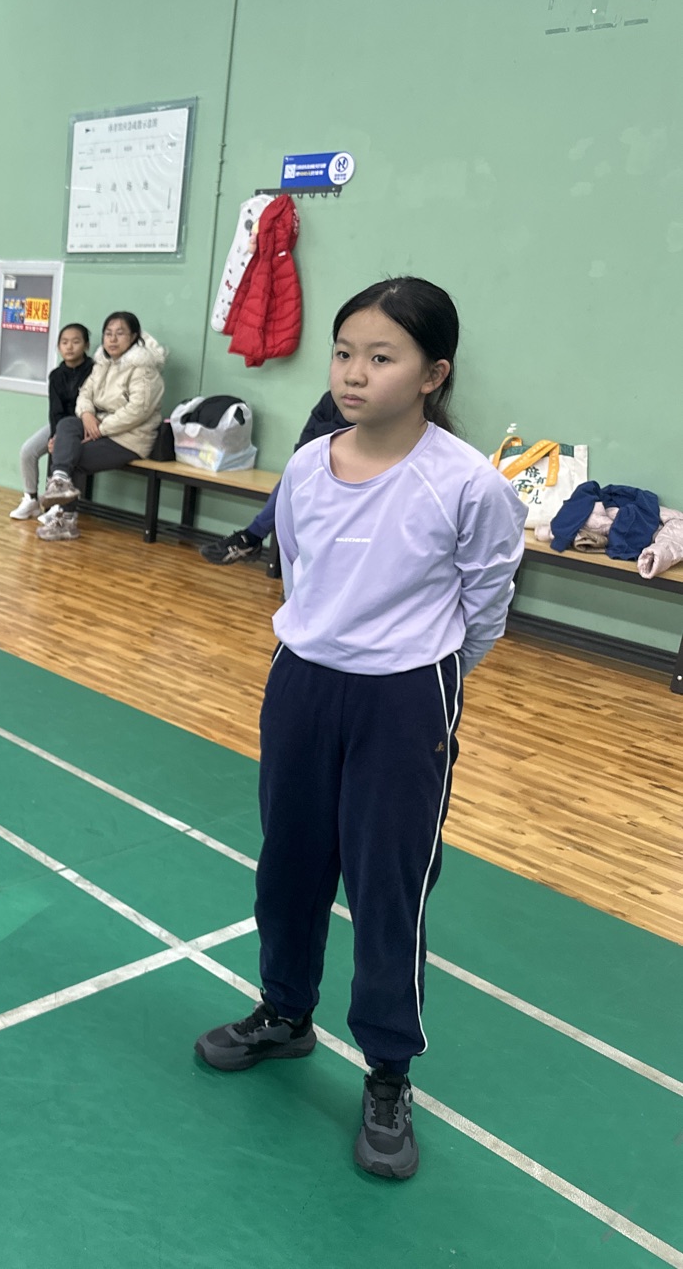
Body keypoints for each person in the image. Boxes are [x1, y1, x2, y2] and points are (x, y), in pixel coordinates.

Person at [192, 278, 526, 1181]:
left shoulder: (469, 484)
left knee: (388, 887)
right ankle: (284, 1012)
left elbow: (486, 603)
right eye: (344, 353)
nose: (353, 373)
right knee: (289, 863)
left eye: (381, 357)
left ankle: (387, 1070)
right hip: (302, 684)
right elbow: (300, 570)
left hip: (406, 699)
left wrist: (422, 671)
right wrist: (327, 647)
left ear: (433, 374)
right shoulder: (308, 466)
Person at [36, 312, 168, 541]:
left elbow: (138, 411)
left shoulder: (144, 370)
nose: (112, 339)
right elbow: (85, 393)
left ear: (133, 337)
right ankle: (60, 481)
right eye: (108, 334)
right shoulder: (102, 364)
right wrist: (87, 415)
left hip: (130, 438)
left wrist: (99, 429)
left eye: (120, 334)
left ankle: (66, 521)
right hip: (99, 426)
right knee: (67, 425)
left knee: (72, 455)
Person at [198, 392, 352, 565]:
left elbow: (349, 444)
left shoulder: (369, 406)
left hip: (349, 478)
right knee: (295, 475)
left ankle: (251, 538)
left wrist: (325, 440)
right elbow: (305, 444)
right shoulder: (330, 399)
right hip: (316, 469)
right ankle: (251, 539)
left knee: (304, 485)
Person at [10, 322, 94, 520]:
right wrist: (55, 436)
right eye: (64, 342)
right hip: (60, 425)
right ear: (58, 347)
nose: (69, 347)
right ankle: (31, 499)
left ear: (86, 345)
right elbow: (55, 410)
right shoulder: (56, 375)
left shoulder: (94, 371)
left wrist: (61, 439)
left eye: (75, 342)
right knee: (28, 450)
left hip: (84, 425)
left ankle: (60, 506)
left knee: (64, 453)